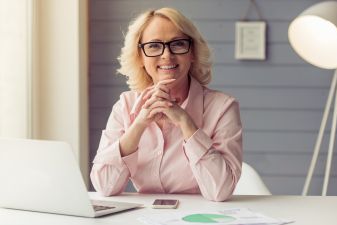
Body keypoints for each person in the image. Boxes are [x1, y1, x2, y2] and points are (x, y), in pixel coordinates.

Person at [90, 7, 242, 202]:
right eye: (154, 46)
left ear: (192, 52)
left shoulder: (223, 108)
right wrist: (139, 124)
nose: (166, 55)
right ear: (141, 57)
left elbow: (220, 191)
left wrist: (186, 123)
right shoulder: (126, 105)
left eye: (177, 44)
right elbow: (105, 186)